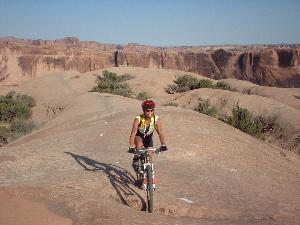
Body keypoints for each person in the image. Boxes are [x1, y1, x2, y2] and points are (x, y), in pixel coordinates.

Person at [128, 99, 168, 173]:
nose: (150, 113)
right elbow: (133, 132)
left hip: (148, 137)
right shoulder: (138, 119)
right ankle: (136, 160)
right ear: (143, 110)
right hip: (139, 136)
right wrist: (131, 146)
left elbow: (160, 133)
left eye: (151, 110)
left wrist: (163, 144)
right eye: (147, 111)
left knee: (150, 155)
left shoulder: (156, 119)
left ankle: (149, 174)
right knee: (139, 145)